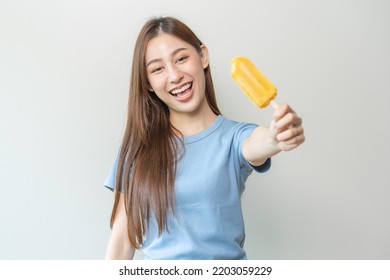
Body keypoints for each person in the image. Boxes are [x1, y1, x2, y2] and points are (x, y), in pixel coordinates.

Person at [104, 16, 304, 260]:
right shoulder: (137, 150)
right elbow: (121, 244)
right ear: (148, 83)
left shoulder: (235, 138)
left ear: (203, 56)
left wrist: (277, 135)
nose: (175, 75)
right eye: (158, 68)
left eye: (181, 58)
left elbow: (260, 142)